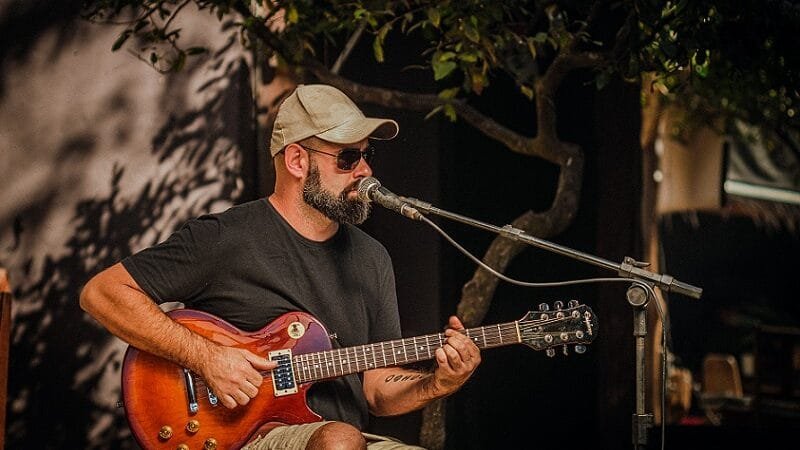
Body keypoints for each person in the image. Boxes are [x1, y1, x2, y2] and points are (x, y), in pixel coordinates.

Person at [80, 84, 481, 449]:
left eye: (367, 155)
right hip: (246, 435)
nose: (365, 171)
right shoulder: (227, 237)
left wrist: (437, 383)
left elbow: (376, 389)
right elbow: (102, 293)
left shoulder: (372, 258)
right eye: (348, 157)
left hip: (346, 438)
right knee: (340, 441)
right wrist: (207, 358)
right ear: (296, 161)